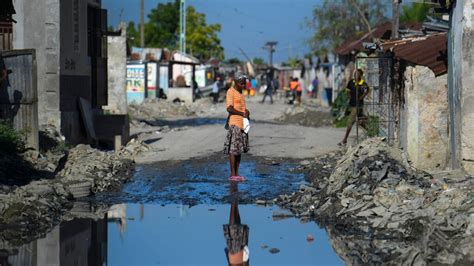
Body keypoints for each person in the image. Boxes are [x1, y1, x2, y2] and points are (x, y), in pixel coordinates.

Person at [224, 73, 250, 182]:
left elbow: (243, 109)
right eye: (242, 83)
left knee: (239, 150)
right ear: (236, 82)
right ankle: (232, 174)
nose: (244, 85)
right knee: (233, 150)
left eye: (244, 83)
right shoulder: (231, 92)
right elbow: (229, 108)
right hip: (234, 123)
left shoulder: (240, 93)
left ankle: (237, 174)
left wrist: (247, 112)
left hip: (242, 125)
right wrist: (241, 113)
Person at [338, 69, 370, 146]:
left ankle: (344, 140)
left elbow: (367, 90)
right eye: (355, 74)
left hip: (358, 105)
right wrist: (349, 97)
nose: (356, 75)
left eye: (358, 74)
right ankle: (371, 132)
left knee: (350, 122)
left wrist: (362, 96)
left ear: (361, 75)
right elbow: (347, 90)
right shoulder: (351, 82)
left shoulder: (363, 84)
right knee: (360, 122)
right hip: (351, 104)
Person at [223, 182, 249, 266]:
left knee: (236, 221)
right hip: (233, 246)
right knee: (234, 220)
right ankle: (234, 193)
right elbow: (225, 251)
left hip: (238, 245)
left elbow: (246, 255)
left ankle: (234, 193)